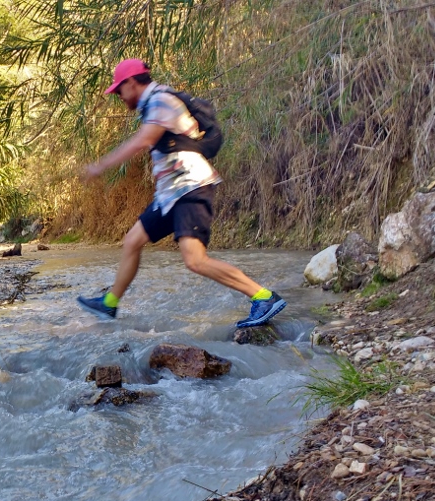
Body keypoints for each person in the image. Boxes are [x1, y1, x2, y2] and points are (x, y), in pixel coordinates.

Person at [76, 59, 286, 328]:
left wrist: (101, 165)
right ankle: (109, 303)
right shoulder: (152, 104)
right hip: (169, 194)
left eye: (119, 90)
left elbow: (145, 139)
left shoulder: (160, 100)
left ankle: (264, 297)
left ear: (131, 82)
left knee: (195, 261)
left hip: (190, 187)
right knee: (132, 241)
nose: (119, 95)